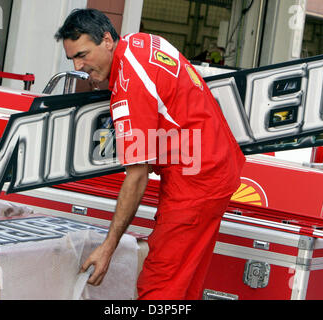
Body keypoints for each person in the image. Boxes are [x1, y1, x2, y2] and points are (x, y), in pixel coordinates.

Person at [55, 8, 245, 300]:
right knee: (185, 283)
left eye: (83, 54)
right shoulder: (141, 42)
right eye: (73, 59)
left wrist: (108, 247)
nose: (80, 66)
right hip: (217, 163)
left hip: (196, 179)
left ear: (106, 39)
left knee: (160, 285)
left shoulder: (129, 88)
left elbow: (137, 176)